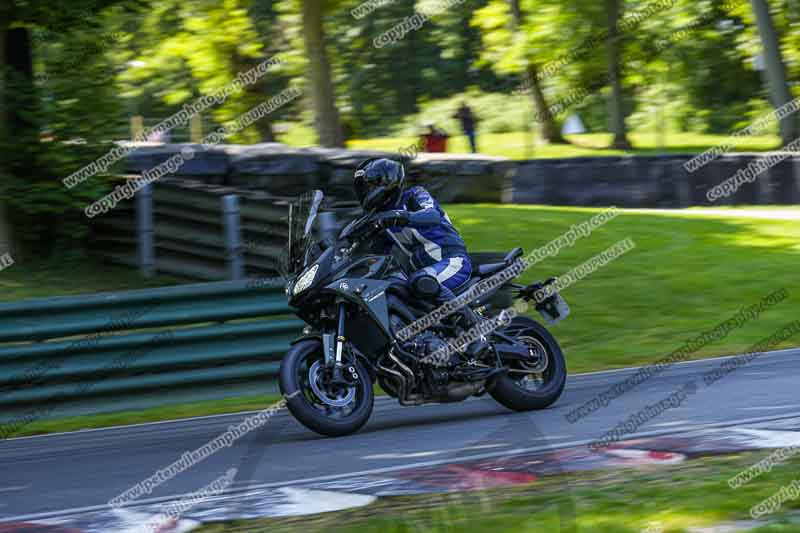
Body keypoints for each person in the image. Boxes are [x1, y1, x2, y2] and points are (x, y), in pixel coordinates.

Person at [353, 158, 484, 363]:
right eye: (363, 187)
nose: (366, 191)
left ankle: (476, 331)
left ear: (387, 182)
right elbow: (376, 256)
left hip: (452, 259)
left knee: (420, 281)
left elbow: (431, 215)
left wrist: (401, 216)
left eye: (370, 185)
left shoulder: (415, 195)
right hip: (422, 273)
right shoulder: (383, 220)